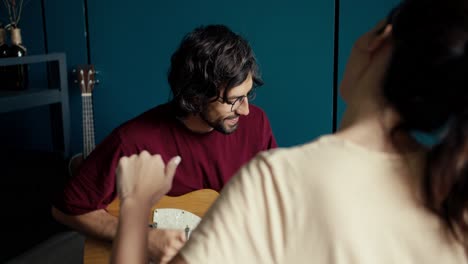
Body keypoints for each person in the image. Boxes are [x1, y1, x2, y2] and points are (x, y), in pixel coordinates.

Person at [111, 0, 468, 263]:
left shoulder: (273, 182)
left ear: (378, 40)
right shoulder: (456, 201)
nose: (246, 109)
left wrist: (136, 203)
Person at [51, 24, 277, 262]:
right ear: (195, 97)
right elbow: (65, 209)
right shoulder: (132, 141)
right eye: (234, 100)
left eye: (248, 94)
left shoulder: (257, 124)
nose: (245, 109)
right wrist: (142, 238)